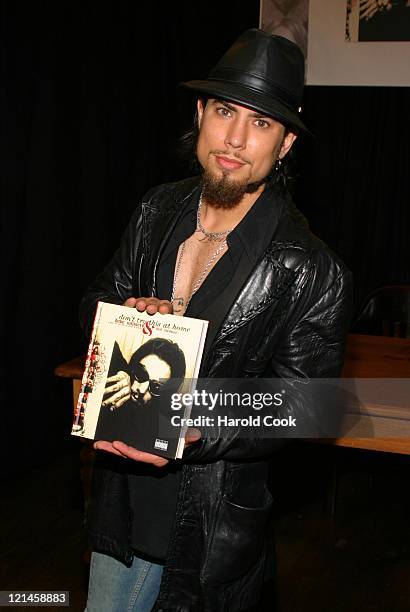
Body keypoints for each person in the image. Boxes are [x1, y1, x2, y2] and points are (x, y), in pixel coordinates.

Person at [80, 29, 353, 612]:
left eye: (261, 124)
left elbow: (310, 405)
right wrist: (122, 317)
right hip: (120, 503)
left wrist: (204, 422)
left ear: (285, 145)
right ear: (201, 113)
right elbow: (95, 301)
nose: (234, 139)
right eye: (226, 111)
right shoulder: (156, 210)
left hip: (210, 531)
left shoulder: (310, 267)